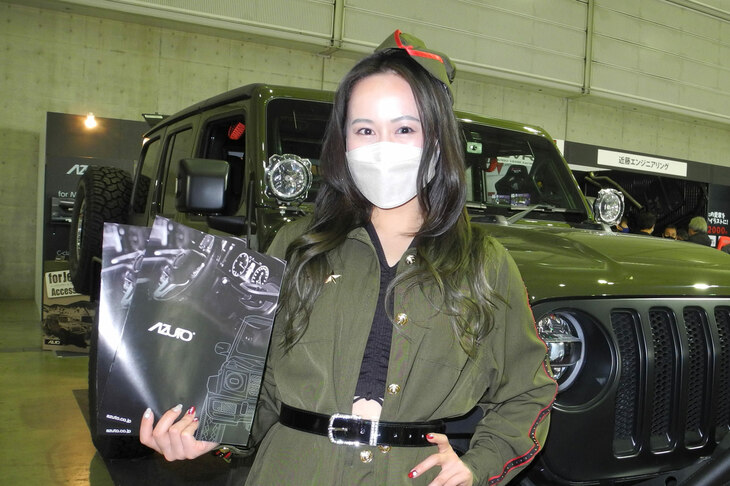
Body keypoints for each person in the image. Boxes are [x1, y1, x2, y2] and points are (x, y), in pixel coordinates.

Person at [139, 30, 557, 485]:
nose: (383, 146)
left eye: (405, 129)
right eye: (365, 129)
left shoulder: (484, 263)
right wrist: (208, 430)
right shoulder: (297, 247)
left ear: (437, 140)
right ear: (344, 142)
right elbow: (258, 379)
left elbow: (527, 390)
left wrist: (479, 465)